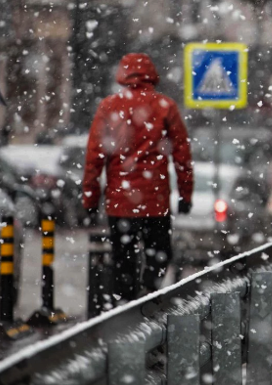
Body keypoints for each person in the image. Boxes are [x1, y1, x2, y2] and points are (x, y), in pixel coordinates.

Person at [82, 53, 193, 302]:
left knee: (123, 258)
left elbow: (94, 158)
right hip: (155, 202)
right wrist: (185, 195)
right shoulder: (166, 107)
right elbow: (182, 156)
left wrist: (89, 200)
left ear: (122, 75)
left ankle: (127, 305)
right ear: (152, 75)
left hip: (120, 203)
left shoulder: (109, 107)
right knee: (159, 254)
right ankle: (149, 295)